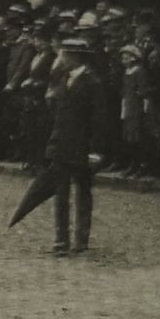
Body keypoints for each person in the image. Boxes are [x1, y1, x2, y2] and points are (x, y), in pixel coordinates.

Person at [45, 39, 110, 256]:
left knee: (83, 192)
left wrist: (96, 150)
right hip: (62, 144)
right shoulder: (63, 79)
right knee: (60, 193)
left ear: (74, 57)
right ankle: (61, 240)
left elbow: (100, 120)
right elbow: (58, 116)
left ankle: (81, 239)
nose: (60, 59)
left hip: (82, 147)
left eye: (64, 55)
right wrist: (53, 143)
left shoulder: (93, 82)